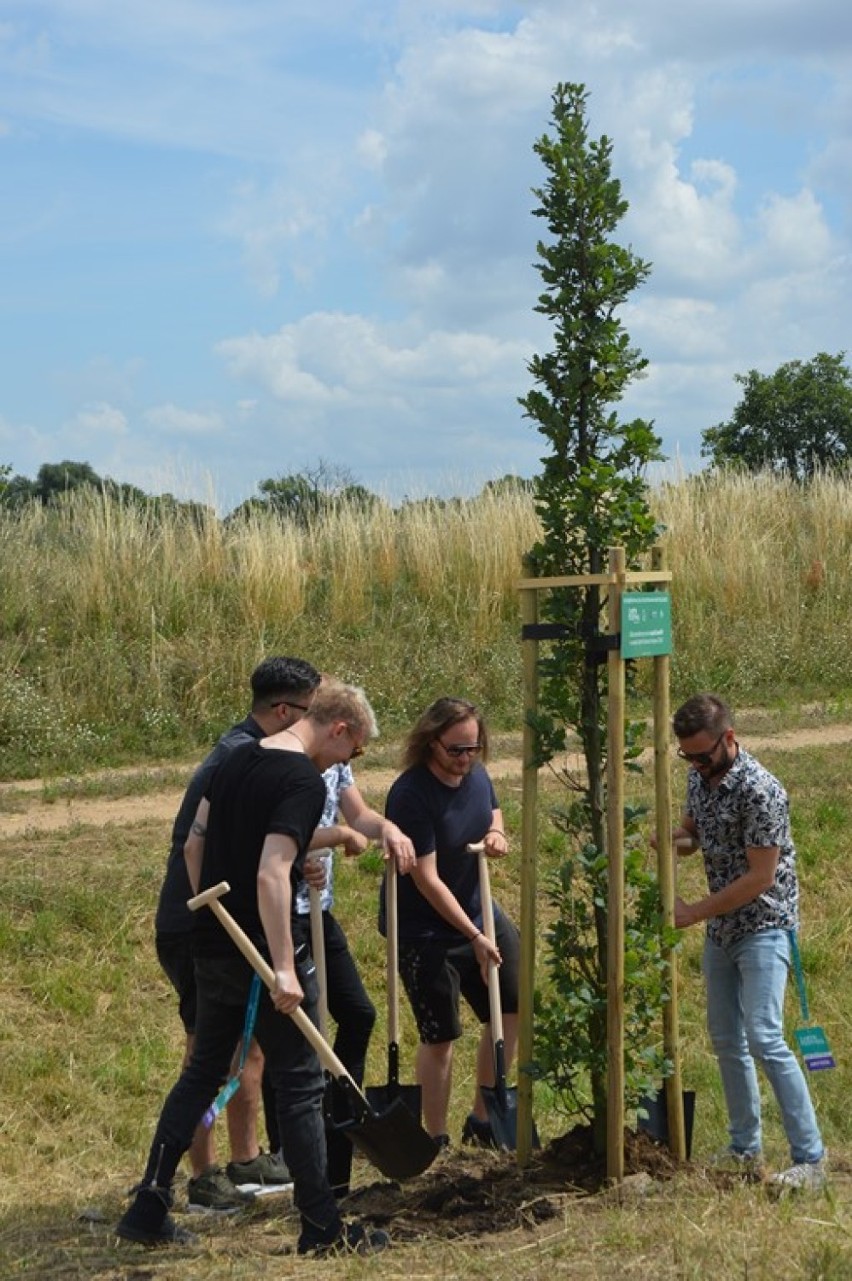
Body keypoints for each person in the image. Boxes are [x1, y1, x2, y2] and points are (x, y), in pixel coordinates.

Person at [118, 681, 389, 1255]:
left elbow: (196, 846)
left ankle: (148, 1206)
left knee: (201, 1075)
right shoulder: (299, 780)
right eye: (353, 751)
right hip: (266, 948)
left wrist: (211, 915)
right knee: (299, 1082)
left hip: (215, 944)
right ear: (338, 729)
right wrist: (286, 967)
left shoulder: (234, 756)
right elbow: (271, 871)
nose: (346, 762)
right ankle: (322, 1230)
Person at [153, 655, 320, 1212]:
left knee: (247, 1049)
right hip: (199, 922)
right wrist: (213, 917)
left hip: (225, 921)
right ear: (282, 710)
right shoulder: (234, 757)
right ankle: (200, 1177)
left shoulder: (258, 752)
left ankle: (246, 1159)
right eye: (308, 713)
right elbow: (194, 845)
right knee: (208, 1051)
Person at [669, 693, 827, 1191]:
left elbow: (760, 877)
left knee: (763, 1036)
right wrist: (665, 841)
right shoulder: (700, 777)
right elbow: (693, 836)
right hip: (723, 930)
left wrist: (694, 911)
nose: (695, 764)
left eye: (703, 755)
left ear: (729, 739)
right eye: (687, 757)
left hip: (764, 925)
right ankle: (744, 1147)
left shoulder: (762, 791)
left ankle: (811, 1159)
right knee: (725, 1040)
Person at [382, 697, 519, 1147]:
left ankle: (483, 1119)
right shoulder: (410, 793)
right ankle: (434, 1137)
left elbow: (492, 809)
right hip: (425, 926)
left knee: (512, 1005)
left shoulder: (475, 775)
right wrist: (475, 936)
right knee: (441, 1035)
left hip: (477, 908)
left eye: (473, 749)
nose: (464, 759)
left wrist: (497, 831)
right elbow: (426, 878)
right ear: (430, 742)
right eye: (454, 750)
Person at [288, 761, 416, 1197]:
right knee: (299, 1034)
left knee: (358, 1014)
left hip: (319, 911)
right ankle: (298, 1139)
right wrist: (336, 837)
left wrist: (388, 829)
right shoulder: (282, 761)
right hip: (284, 916)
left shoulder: (336, 765)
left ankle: (343, 1108)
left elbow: (359, 814)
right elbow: (277, 835)